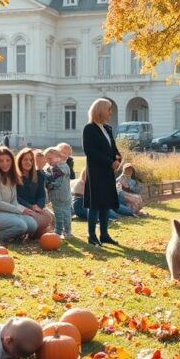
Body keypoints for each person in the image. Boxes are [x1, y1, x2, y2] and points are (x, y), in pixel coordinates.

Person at [82, 98, 121, 247]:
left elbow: (113, 148)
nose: (110, 112)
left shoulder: (108, 128)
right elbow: (90, 151)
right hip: (96, 172)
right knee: (95, 204)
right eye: (109, 109)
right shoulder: (89, 128)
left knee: (106, 204)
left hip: (108, 172)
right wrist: (110, 162)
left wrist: (118, 158)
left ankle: (104, 235)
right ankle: (92, 236)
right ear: (100, 110)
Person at [0, 147, 39, 244]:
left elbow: (14, 201)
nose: (4, 164)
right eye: (1, 161)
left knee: (32, 224)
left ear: (12, 161)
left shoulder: (11, 176)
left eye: (8, 160)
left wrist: (24, 210)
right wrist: (19, 210)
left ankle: (13, 236)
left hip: (6, 213)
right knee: (21, 226)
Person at [14, 148, 54, 238]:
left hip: (36, 207)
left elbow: (41, 194)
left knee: (49, 216)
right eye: (25, 159)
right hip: (23, 207)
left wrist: (38, 206)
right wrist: (30, 206)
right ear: (20, 161)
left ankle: (35, 233)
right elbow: (16, 197)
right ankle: (31, 232)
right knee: (39, 219)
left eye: (31, 160)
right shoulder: (15, 177)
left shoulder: (39, 174)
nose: (28, 162)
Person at [44, 146, 73, 237]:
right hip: (66, 195)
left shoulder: (58, 167)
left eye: (50, 158)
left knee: (59, 214)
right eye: (47, 159)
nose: (48, 161)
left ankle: (58, 232)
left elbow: (57, 182)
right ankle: (67, 231)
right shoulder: (65, 165)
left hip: (58, 196)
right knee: (66, 214)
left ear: (58, 156)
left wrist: (48, 184)